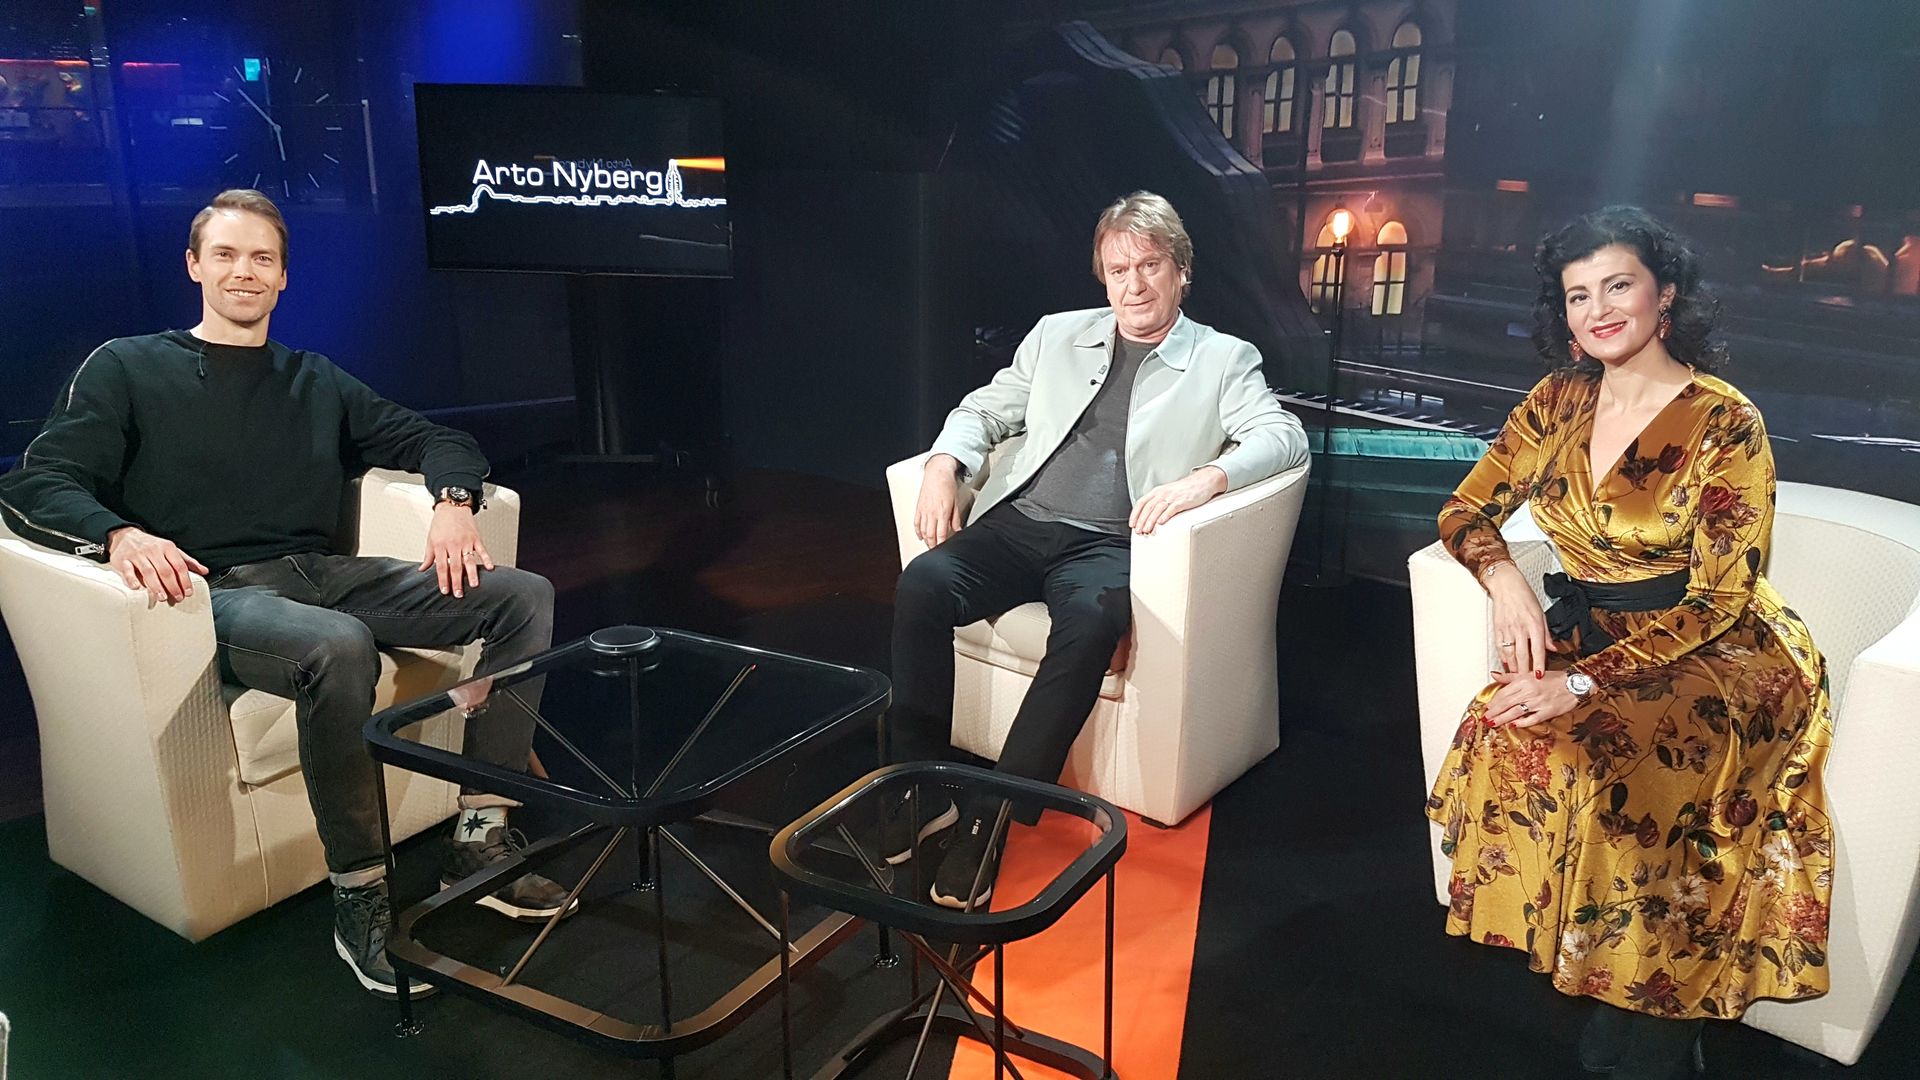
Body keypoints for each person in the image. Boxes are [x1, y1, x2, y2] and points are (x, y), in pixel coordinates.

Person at [0, 189, 569, 997]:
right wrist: (119, 535)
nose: (244, 271)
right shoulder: (128, 366)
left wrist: (452, 501)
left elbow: (436, 436)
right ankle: (361, 895)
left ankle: (479, 835)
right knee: (337, 645)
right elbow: (36, 482)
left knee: (523, 596)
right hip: (212, 590)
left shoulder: (314, 378)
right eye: (226, 255)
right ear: (194, 266)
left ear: (283, 277)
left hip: (319, 572)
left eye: (262, 258)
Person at [1425, 206, 1832, 1080]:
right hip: (1601, 630)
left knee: (1636, 760)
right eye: (1578, 295)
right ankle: (1615, 977)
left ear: (1666, 293)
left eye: (1618, 285)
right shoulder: (1556, 400)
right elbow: (1463, 509)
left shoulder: (1726, 421)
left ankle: (1662, 1018)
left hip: (1724, 653)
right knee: (1510, 730)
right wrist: (1505, 580)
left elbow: (1721, 597)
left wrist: (1581, 684)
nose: (1598, 310)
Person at [891, 191, 1308, 909]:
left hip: (1111, 545)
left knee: (1088, 625)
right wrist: (942, 463)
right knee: (923, 584)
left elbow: (1283, 436)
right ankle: (923, 788)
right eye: (1118, 270)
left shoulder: (1223, 358)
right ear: (1103, 277)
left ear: (1181, 272)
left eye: (1150, 266)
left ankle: (991, 819)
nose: (1133, 285)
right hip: (1021, 522)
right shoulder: (1057, 335)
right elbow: (986, 407)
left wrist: (1206, 478)